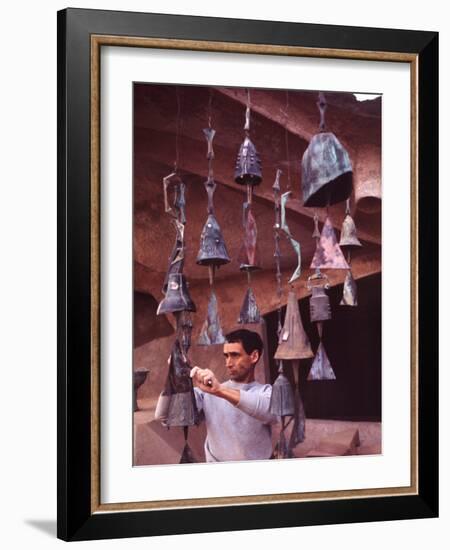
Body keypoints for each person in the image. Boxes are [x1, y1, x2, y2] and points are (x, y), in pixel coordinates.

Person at [155, 328, 277, 463]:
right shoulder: (208, 392)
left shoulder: (265, 392)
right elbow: (163, 415)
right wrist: (174, 376)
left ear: (254, 356)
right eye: (226, 356)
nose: (228, 363)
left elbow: (267, 410)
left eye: (235, 355)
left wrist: (219, 391)